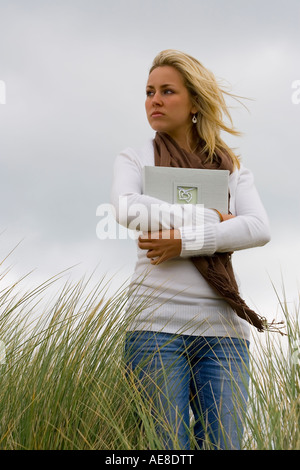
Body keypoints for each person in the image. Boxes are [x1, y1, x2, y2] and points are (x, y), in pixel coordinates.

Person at [110, 49, 271, 450]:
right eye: (149, 92)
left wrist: (183, 242)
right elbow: (127, 208)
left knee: (226, 445)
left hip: (224, 334)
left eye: (167, 91)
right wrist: (217, 219)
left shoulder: (230, 167)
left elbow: (259, 228)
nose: (155, 100)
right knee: (165, 447)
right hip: (155, 329)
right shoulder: (137, 157)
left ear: (195, 101)